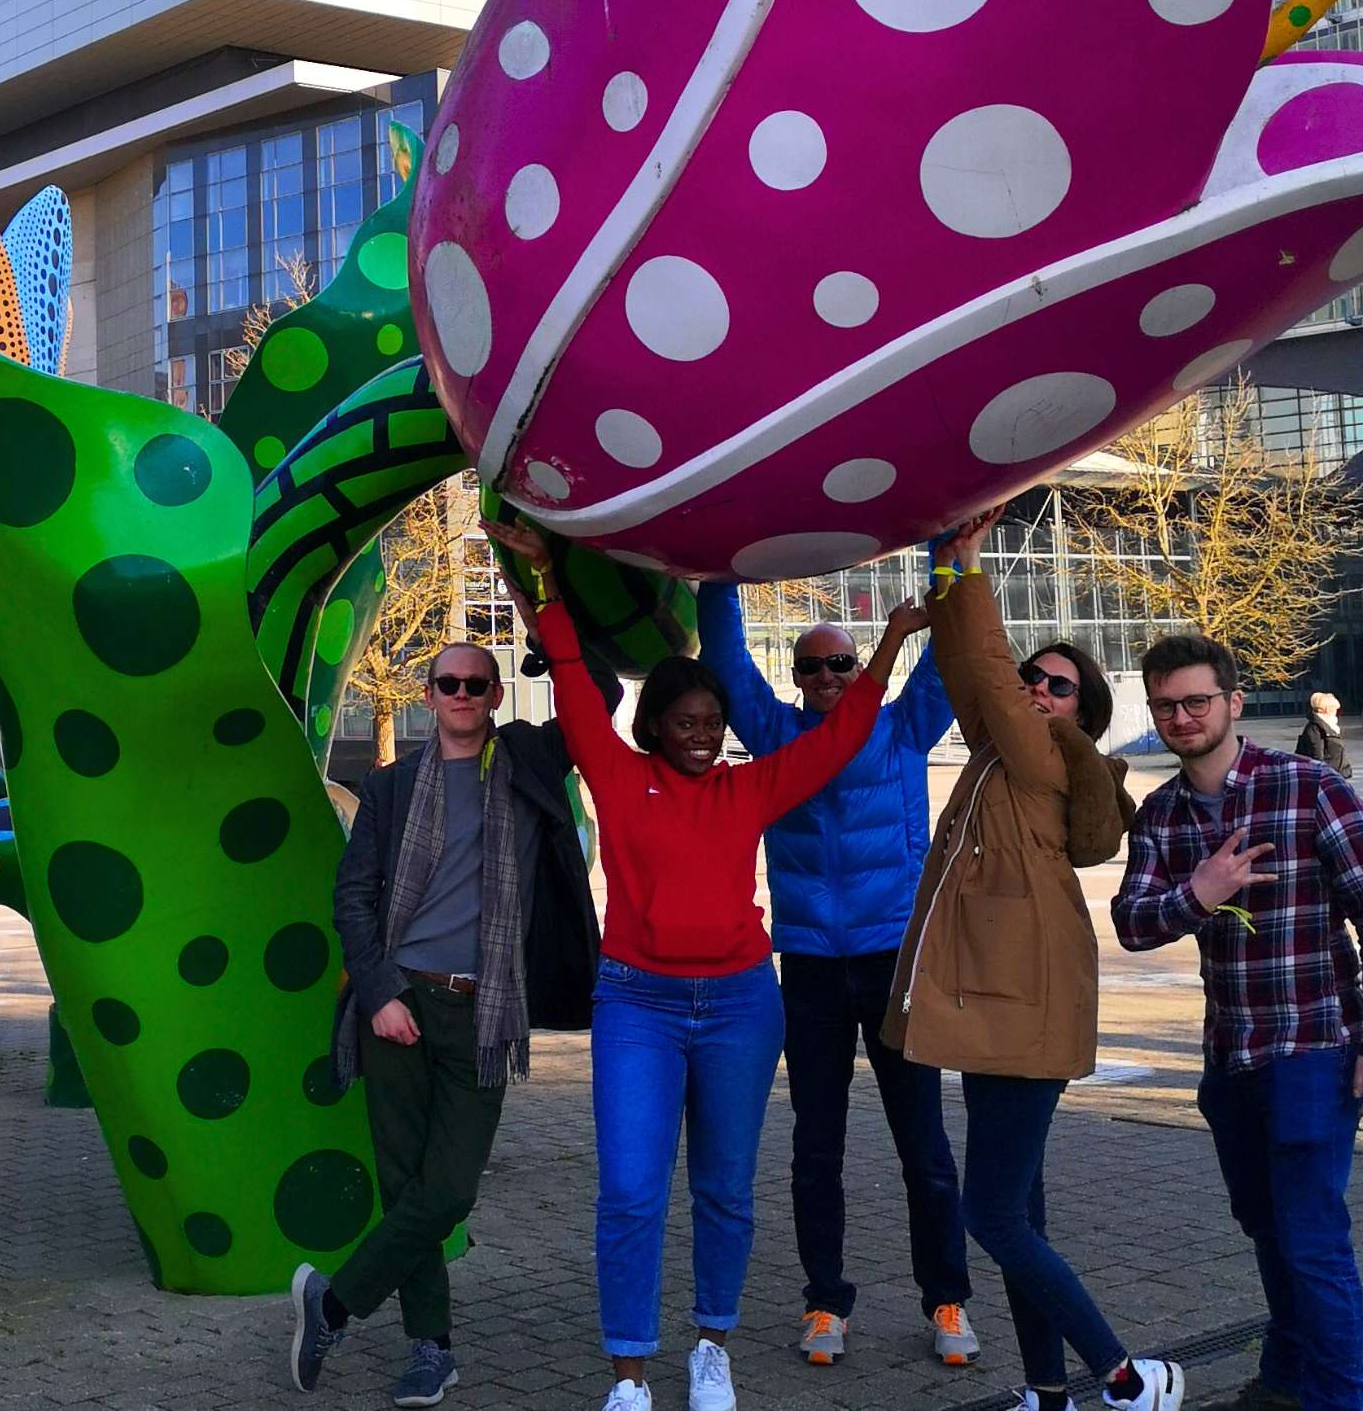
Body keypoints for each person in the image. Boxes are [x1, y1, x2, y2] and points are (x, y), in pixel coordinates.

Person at [483, 518, 927, 1411]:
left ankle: (711, 1349)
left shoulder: (746, 785)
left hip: (738, 1006)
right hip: (638, 1006)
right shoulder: (615, 772)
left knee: (724, 1191)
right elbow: (570, 681)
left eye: (714, 724)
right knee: (630, 1193)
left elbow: (835, 742)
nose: (702, 737)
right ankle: (631, 1373)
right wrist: (541, 587)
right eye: (686, 723)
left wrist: (888, 645)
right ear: (655, 725)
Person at [881, 509, 1184, 1411]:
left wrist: (968, 569)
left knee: (995, 1216)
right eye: (1032, 680)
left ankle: (1128, 1379)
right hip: (997, 1004)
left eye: (1055, 685)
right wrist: (941, 577)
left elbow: (983, 672)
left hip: (1027, 1007)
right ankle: (1049, 1391)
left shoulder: (1048, 757)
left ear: (1080, 715)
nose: (1035, 690)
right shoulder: (996, 758)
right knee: (1023, 1212)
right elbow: (964, 672)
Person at [291, 638, 619, 1407]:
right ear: (429, 694)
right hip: (400, 1004)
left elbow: (598, 696)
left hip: (488, 1008)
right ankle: (430, 1350)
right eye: (449, 683)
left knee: (447, 1192)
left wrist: (546, 634)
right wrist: (378, 995)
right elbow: (354, 899)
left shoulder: (531, 762)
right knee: (405, 1185)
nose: (463, 694)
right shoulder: (392, 786)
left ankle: (332, 1304)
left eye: (477, 683)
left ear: (497, 695)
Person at [1113, 635, 1363, 1411]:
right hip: (1232, 1057)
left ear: (1233, 703)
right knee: (1267, 1229)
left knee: (1311, 1240)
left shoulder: (1308, 787)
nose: (1182, 718)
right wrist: (1200, 893)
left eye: (1196, 702)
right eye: (1166, 705)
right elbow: (1134, 924)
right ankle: (1285, 1379)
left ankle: (1338, 1398)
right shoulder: (1162, 813)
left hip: (1315, 1047)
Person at [695, 582, 976, 1369]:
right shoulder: (773, 734)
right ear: (796, 679)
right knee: (816, 1148)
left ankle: (947, 1297)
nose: (826, 677)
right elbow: (724, 658)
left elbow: (944, 667)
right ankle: (825, 1304)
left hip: (894, 964)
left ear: (860, 670)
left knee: (922, 1145)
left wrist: (946, 559)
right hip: (811, 968)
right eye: (811, 667)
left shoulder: (902, 729)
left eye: (840, 664)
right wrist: (720, 570)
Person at [1294, 693, 1352, 780]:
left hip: (1337, 774)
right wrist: (1324, 776)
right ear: (1323, 709)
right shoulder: (1315, 728)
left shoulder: (1330, 725)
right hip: (1327, 776)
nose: (1335, 712)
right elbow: (1316, 756)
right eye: (1332, 709)